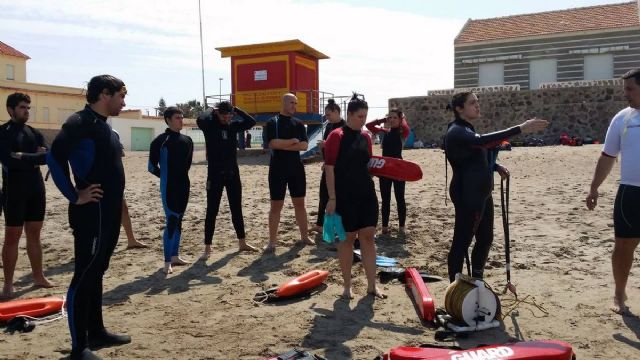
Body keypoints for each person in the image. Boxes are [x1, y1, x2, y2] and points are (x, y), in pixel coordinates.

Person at [47, 75, 131, 359]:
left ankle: (96, 332)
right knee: (83, 275)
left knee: (97, 272)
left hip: (107, 213)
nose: (124, 101)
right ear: (104, 94)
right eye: (121, 95)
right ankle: (78, 347)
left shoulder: (105, 127)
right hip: (90, 214)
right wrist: (74, 195)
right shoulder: (79, 122)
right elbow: (54, 157)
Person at [444, 91, 548, 283]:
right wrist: (520, 128)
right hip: (468, 195)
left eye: (477, 101)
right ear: (459, 109)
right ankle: (455, 291)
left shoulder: (467, 129)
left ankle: (477, 280)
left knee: (485, 239)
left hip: (482, 194)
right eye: (472, 103)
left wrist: (494, 166)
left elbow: (475, 156)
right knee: (461, 243)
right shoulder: (456, 131)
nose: (478, 105)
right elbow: (482, 142)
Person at [586, 68, 640, 315]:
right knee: (623, 246)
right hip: (630, 192)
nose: (625, 94)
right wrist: (594, 187)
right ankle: (619, 293)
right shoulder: (622, 118)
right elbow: (608, 156)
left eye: (630, 89)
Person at [324, 94, 385, 299]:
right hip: (344, 196)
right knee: (347, 240)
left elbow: (367, 165)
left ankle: (371, 285)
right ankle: (347, 286)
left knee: (368, 237)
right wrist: (331, 199)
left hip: (366, 193)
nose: (363, 120)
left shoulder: (366, 137)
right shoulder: (337, 136)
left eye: (365, 116)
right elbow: (329, 168)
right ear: (349, 114)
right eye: (360, 116)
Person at [0, 92, 54, 299]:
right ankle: (8, 284)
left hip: (36, 187)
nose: (26, 111)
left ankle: (38, 276)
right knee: (12, 236)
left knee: (35, 232)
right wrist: (34, 157)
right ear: (11, 109)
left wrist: (25, 156)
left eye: (28, 108)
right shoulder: (3, 133)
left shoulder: (33, 132)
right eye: (23, 107)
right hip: (14, 189)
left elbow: (48, 156)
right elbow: (8, 160)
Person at [196, 101, 258, 257]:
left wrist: (236, 109)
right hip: (215, 174)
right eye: (223, 115)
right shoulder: (209, 125)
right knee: (212, 211)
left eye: (229, 115)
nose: (226, 118)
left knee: (236, 209)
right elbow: (200, 118)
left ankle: (242, 242)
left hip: (232, 174)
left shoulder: (233, 126)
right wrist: (212, 109)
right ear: (217, 113)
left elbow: (251, 121)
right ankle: (207, 248)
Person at [263, 93, 314, 252]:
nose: (294, 106)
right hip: (278, 169)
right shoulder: (273, 122)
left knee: (300, 204)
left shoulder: (299, 123)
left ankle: (304, 237)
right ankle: (272, 242)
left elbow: (305, 146)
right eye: (291, 102)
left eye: (296, 103)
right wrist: (292, 142)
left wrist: (283, 145)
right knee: (276, 206)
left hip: (296, 168)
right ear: (283, 103)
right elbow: (272, 143)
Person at [148, 106, 193, 274]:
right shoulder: (160, 141)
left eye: (182, 117)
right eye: (177, 118)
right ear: (167, 120)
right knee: (172, 220)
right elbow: (152, 167)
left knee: (179, 220)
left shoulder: (188, 141)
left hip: (184, 185)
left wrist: (179, 178)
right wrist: (166, 178)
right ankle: (167, 261)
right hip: (169, 187)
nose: (181, 120)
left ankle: (175, 256)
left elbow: (186, 165)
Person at [366, 108, 410, 235]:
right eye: (389, 118)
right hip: (384, 169)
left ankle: (401, 227)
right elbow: (369, 125)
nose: (391, 120)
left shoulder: (403, 132)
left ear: (400, 119)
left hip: (398, 169)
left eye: (394, 118)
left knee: (400, 198)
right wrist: (383, 120)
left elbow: (405, 126)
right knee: (385, 199)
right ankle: (384, 227)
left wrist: (402, 118)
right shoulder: (384, 132)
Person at [311, 99, 346, 233]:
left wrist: (326, 145)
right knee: (323, 195)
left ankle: (337, 226)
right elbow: (328, 149)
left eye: (328, 115)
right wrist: (325, 159)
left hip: (339, 169)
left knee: (338, 197)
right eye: (325, 115)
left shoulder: (344, 127)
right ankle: (320, 225)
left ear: (336, 112)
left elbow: (344, 149)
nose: (326, 117)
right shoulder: (329, 127)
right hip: (328, 166)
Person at [112, 129, 147, 249]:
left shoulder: (113, 133)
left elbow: (122, 153)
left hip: (115, 181)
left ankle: (131, 240)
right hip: (97, 181)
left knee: (124, 209)